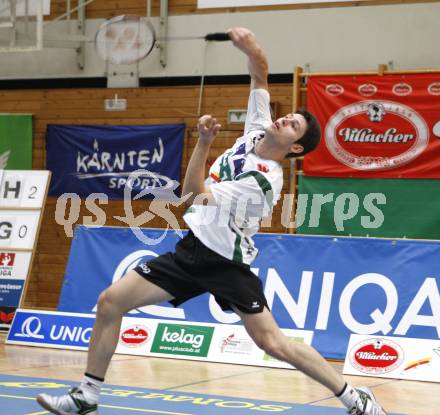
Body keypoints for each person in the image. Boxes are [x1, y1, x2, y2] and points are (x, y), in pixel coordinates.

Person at [36, 27, 387, 415]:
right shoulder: (256, 130)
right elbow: (260, 75)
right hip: (191, 252)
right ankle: (87, 395)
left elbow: (193, 192)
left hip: (226, 264)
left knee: (274, 344)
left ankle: (353, 396)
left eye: (293, 125)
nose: (285, 119)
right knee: (109, 303)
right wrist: (250, 48)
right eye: (288, 116)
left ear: (296, 147)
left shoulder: (264, 180)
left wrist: (203, 141)